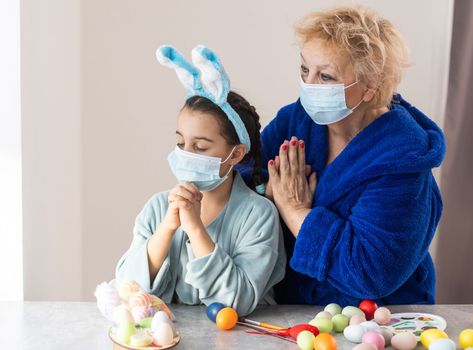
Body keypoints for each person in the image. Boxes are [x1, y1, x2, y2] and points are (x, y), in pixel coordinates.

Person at [239, 6, 445, 306]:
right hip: (292, 310)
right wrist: (268, 194)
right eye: (304, 69)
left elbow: (371, 271)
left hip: (383, 318)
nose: (309, 85)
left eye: (326, 76)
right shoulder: (297, 121)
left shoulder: (402, 158)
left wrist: (296, 213)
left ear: (370, 85)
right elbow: (237, 184)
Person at [116, 45, 285, 316]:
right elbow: (127, 291)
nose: (186, 155)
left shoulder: (259, 215)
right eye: (181, 143)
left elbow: (237, 302)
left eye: (201, 147)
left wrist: (195, 229)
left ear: (236, 154)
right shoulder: (158, 208)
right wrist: (167, 228)